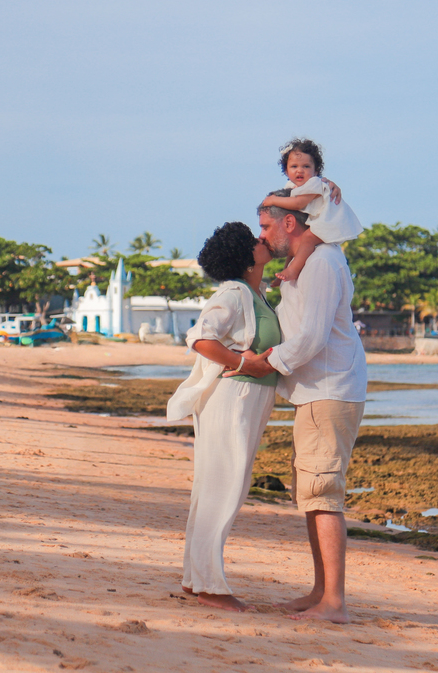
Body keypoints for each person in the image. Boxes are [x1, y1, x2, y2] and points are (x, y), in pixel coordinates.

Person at [233, 194, 367, 623]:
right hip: (316, 391)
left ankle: (336, 603)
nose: (262, 235)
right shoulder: (306, 265)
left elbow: (311, 336)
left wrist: (263, 363)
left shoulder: (323, 263)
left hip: (329, 390)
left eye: (266, 227)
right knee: (310, 494)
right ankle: (321, 591)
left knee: (323, 494)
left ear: (289, 224)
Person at [167, 221, 280, 613]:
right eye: (253, 240)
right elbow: (199, 337)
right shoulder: (233, 293)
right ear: (243, 256)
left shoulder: (256, 294)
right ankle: (211, 587)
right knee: (223, 490)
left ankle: (195, 578)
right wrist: (240, 361)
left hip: (247, 400)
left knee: (215, 489)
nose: (261, 240)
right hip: (232, 399)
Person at [260, 138, 362, 284]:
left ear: (316, 170)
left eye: (306, 166)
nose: (300, 170)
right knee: (294, 246)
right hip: (317, 220)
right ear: (286, 171)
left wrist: (272, 200)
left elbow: (297, 203)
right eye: (294, 166)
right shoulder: (292, 186)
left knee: (307, 238)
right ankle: (287, 271)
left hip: (330, 222)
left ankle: (293, 270)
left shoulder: (314, 183)